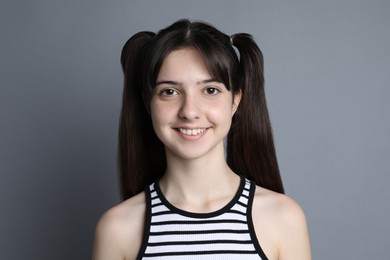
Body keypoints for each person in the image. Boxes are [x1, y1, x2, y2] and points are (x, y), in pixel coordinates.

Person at [92, 19, 311, 260]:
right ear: (148, 103)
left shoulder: (283, 218)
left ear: (235, 101)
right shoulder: (118, 228)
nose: (190, 111)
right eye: (169, 91)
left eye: (210, 90)